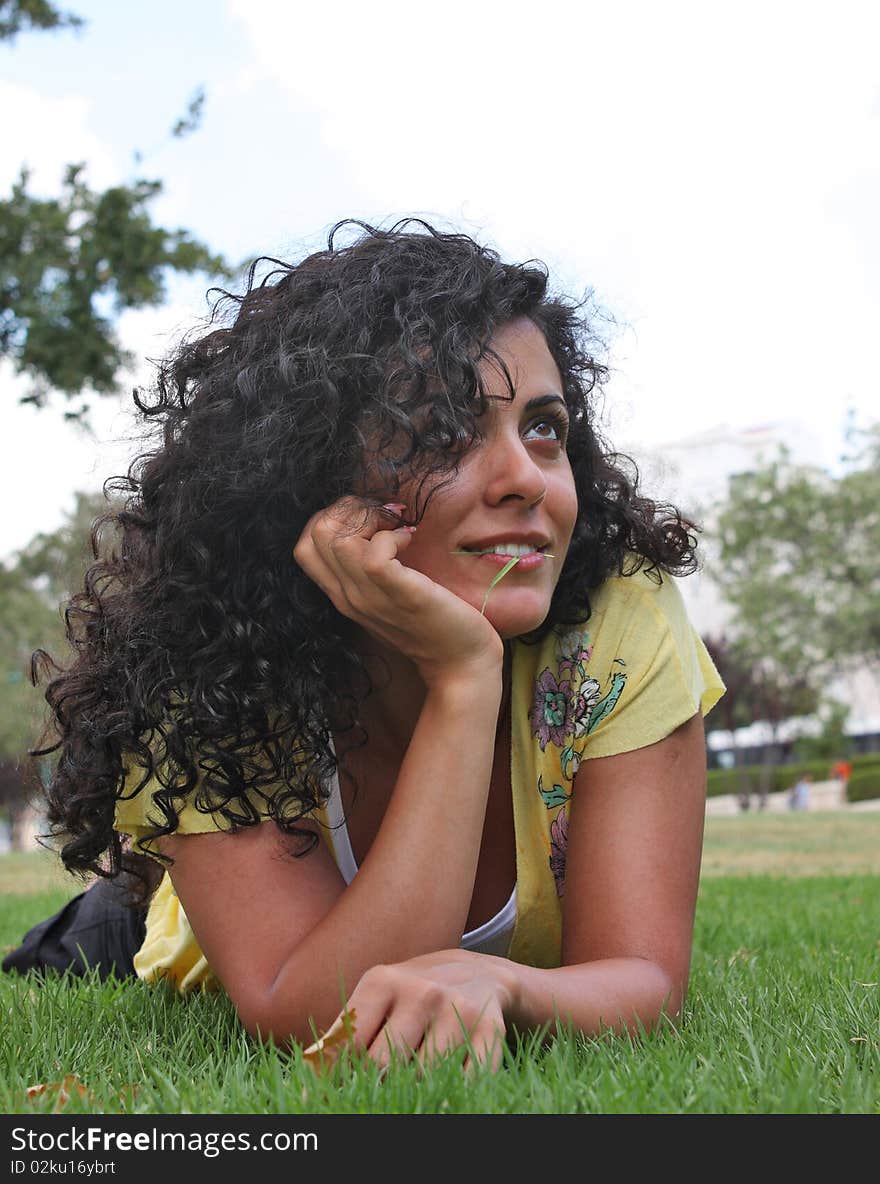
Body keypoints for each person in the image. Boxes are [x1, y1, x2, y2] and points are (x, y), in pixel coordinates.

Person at [5, 219, 725, 1071]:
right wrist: (463, 679)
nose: (527, 477)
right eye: (443, 431)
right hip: (158, 920)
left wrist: (508, 988)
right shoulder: (208, 663)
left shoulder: (617, 616)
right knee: (84, 943)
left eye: (543, 427)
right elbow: (316, 1017)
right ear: (316, 476)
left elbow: (642, 975)